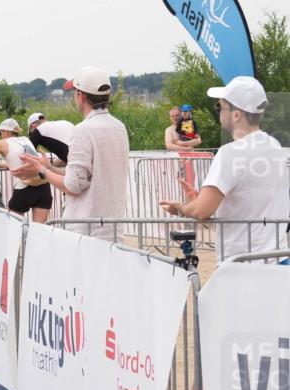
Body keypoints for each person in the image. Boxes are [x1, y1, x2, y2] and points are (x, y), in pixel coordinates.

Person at [160, 76, 290, 259]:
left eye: (220, 107)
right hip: (279, 260)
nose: (218, 112)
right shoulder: (276, 147)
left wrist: (181, 208)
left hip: (241, 264)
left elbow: (202, 211)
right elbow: (252, 201)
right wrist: (201, 200)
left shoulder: (230, 153)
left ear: (236, 114)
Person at [14, 67, 129, 242]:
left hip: (84, 230)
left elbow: (73, 185)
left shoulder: (84, 130)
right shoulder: (119, 127)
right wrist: (49, 167)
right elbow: (83, 177)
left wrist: (42, 171)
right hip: (113, 226)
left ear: (81, 95)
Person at [0, 117, 51, 222]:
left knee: (13, 227)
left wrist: (6, 166)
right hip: (44, 185)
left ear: (5, 131)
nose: (0, 136)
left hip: (25, 187)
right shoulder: (26, 139)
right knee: (39, 231)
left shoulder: (1, 143)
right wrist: (8, 165)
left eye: (0, 133)